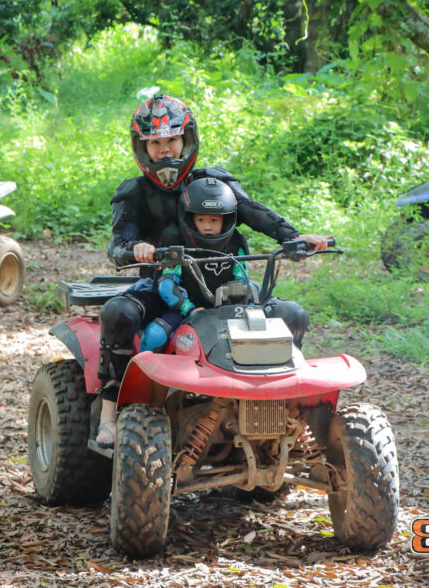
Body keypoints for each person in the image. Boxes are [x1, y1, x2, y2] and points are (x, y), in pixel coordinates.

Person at [95, 94, 330, 447]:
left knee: (292, 315)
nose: (165, 149)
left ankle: (283, 404)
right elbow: (118, 243)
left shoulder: (213, 182)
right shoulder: (135, 192)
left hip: (223, 281)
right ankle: (109, 415)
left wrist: (292, 237)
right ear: (142, 147)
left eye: (172, 139)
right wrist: (134, 248)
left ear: (187, 139)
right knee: (118, 312)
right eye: (155, 143)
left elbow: (252, 210)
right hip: (165, 286)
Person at [137, 176, 250, 358]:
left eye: (214, 220)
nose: (207, 227)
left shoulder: (236, 245)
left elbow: (243, 280)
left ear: (226, 220)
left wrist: (240, 307)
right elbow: (167, 285)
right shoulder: (178, 244)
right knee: (155, 334)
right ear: (190, 220)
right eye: (201, 220)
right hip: (186, 310)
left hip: (226, 310)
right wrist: (189, 309)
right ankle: (145, 372)